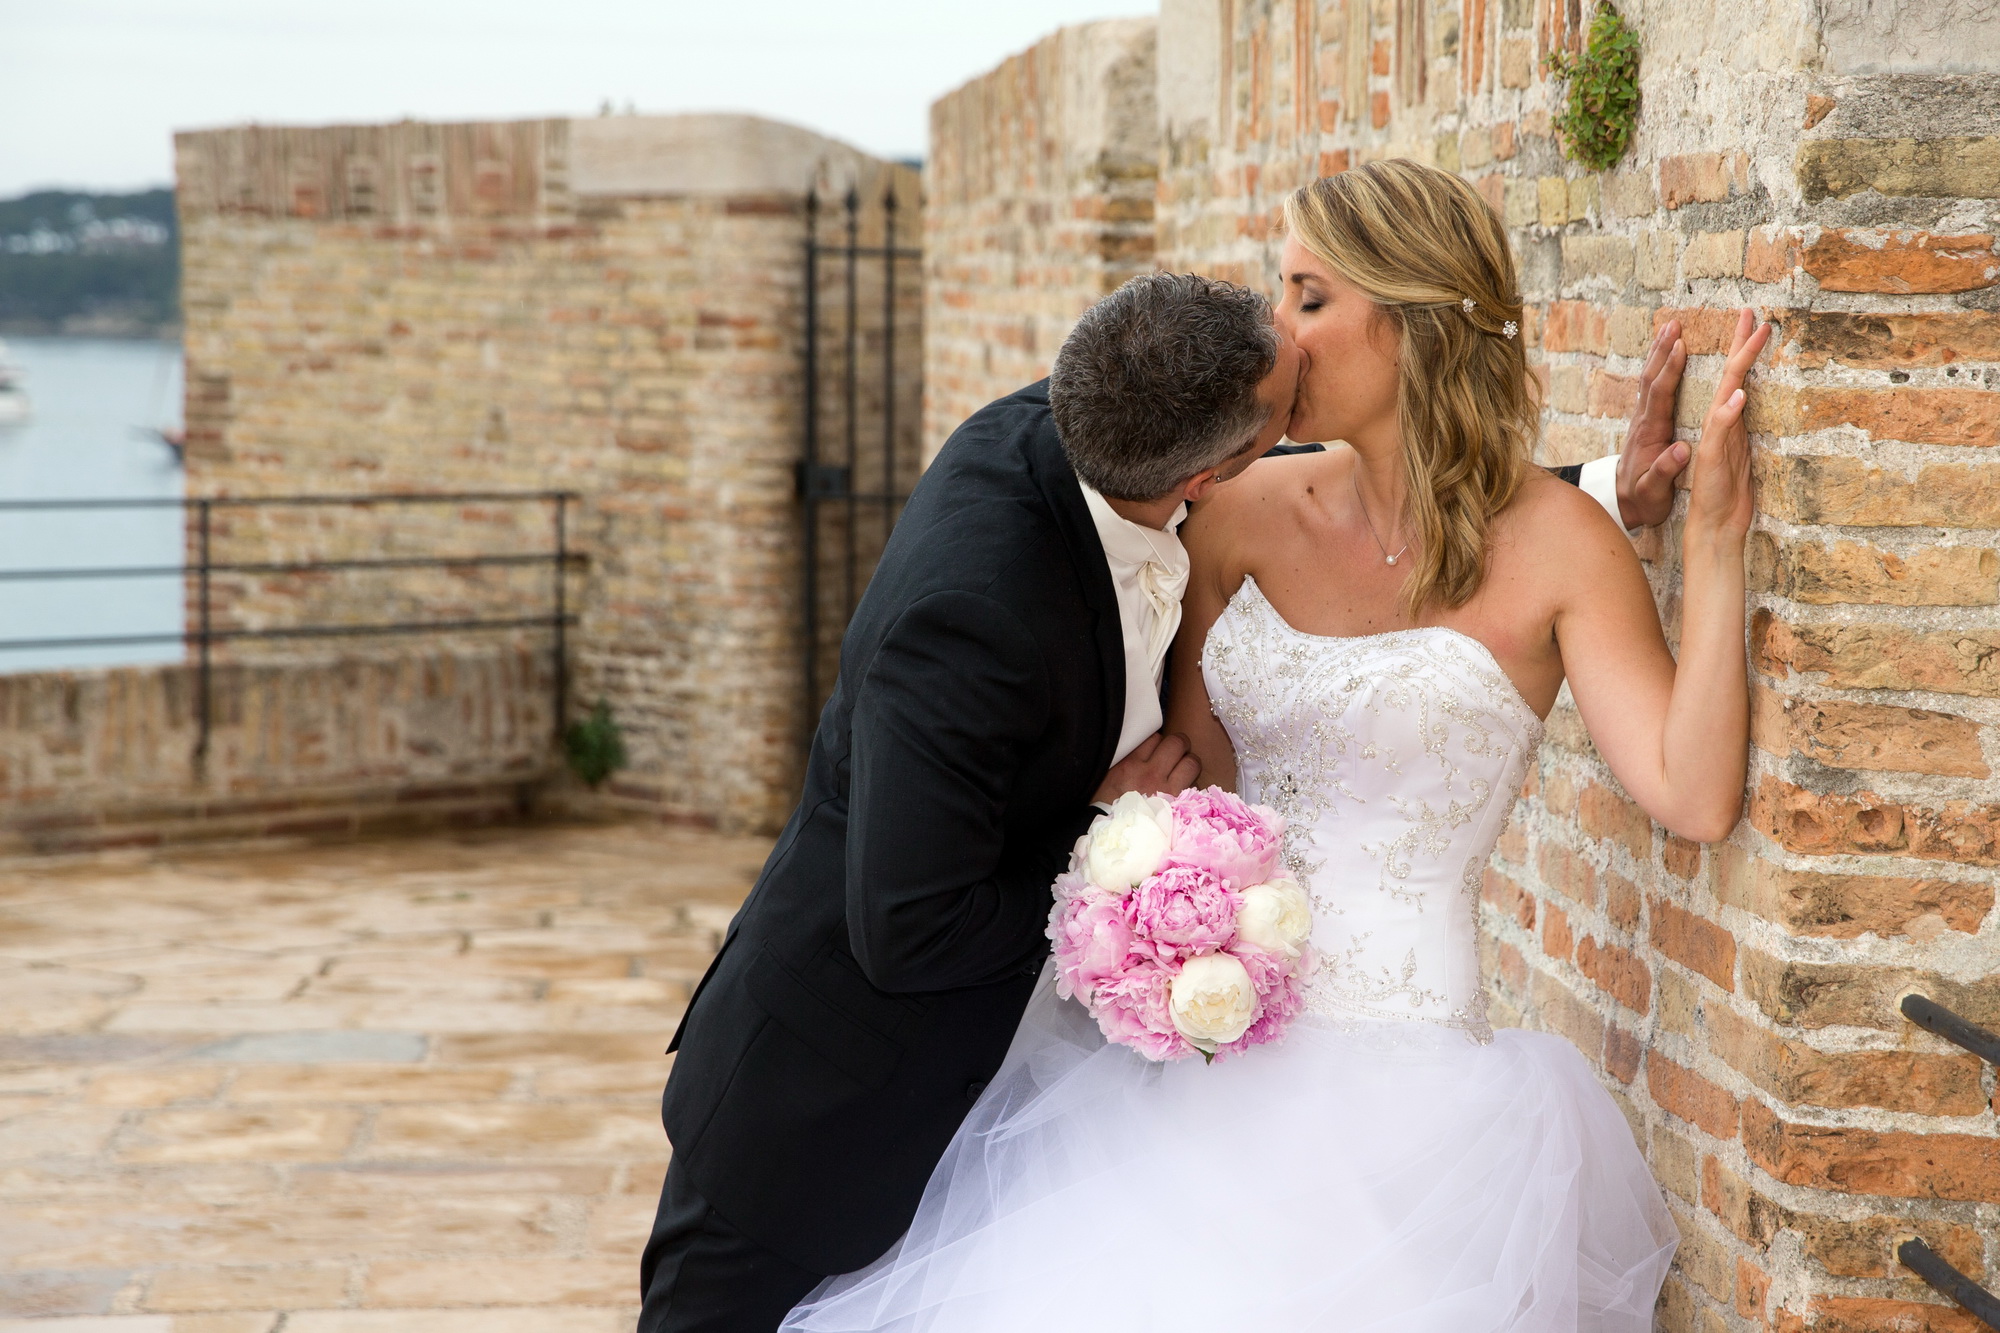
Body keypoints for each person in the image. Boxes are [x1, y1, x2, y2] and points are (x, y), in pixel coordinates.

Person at [643, 228, 1694, 1333]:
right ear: (1206, 476)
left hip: (1069, 1090)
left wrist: (1598, 494)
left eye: (1304, 301)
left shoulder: (1104, 418)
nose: (1294, 336)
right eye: (1283, 322)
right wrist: (1106, 849)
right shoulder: (969, 614)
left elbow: (1375, 508)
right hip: (819, 1105)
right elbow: (907, 923)